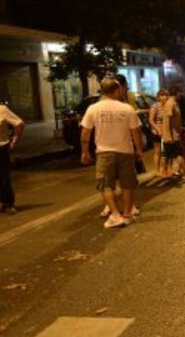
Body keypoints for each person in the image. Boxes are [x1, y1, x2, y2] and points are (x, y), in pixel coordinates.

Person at [81, 78, 145, 229]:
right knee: (128, 184)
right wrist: (139, 150)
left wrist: (85, 151)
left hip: (104, 152)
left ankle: (115, 215)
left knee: (106, 185)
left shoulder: (93, 109)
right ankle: (127, 215)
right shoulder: (127, 108)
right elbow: (135, 131)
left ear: (102, 91)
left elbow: (85, 132)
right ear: (117, 90)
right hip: (125, 151)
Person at [0, 99, 24, 215]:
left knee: (3, 179)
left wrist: (14, 141)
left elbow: (19, 124)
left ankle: (8, 204)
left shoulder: (1, 110)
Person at [149, 89, 167, 176]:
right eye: (162, 95)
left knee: (166, 152)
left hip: (167, 132)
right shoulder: (155, 106)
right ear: (158, 97)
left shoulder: (167, 106)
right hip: (157, 132)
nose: (164, 97)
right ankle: (157, 170)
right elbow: (151, 120)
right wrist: (158, 129)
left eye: (165, 95)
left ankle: (164, 170)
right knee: (158, 151)